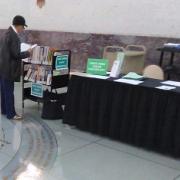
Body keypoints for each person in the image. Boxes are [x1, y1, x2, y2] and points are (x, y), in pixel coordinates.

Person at [0, 15, 32, 120]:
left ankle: (5, 110)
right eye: (23, 27)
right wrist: (28, 53)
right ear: (19, 25)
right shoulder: (13, 36)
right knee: (9, 92)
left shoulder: (6, 33)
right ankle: (11, 114)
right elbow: (16, 54)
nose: (23, 29)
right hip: (9, 69)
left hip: (3, 67)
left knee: (4, 91)